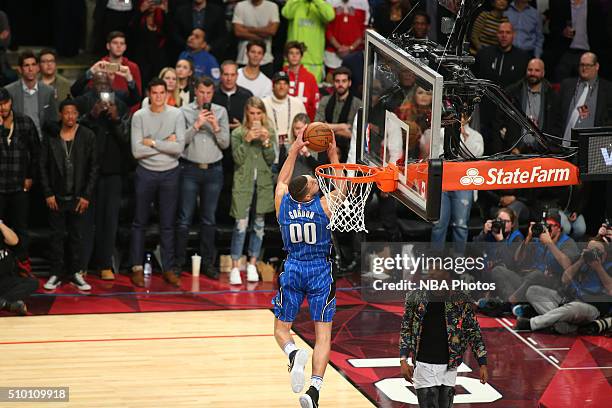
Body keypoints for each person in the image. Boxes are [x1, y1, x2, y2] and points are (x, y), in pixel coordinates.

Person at [272, 127, 340, 408]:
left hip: (293, 268)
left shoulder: (284, 204)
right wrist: (332, 151)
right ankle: (314, 389)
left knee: (281, 330)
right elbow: (342, 185)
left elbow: (282, 181)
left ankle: (291, 353)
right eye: (314, 181)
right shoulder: (323, 205)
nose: (316, 181)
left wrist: (292, 151)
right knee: (322, 335)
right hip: (320, 271)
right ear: (310, 194)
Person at [399, 264, 488, 408]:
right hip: (423, 364)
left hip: (449, 366)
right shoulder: (415, 297)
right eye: (431, 268)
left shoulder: (461, 300)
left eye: (437, 269)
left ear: (448, 274)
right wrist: (403, 359)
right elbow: (406, 329)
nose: (432, 272)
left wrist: (482, 363)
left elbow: (474, 331)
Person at [74, 71, 130, 281]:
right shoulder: (83, 103)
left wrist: (115, 121)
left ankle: (105, 264)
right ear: (92, 85)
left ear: (112, 85)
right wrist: (92, 116)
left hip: (113, 171)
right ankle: (82, 264)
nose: (102, 88)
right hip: (88, 171)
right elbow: (74, 130)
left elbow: (127, 140)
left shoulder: (121, 105)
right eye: (98, 84)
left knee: (110, 220)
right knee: (85, 220)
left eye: (106, 84)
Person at [130, 78, 186, 287]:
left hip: (170, 173)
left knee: (168, 224)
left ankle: (168, 268)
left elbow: (178, 148)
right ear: (149, 94)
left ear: (167, 94)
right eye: (155, 93)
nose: (159, 97)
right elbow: (137, 151)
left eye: (162, 93)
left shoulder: (176, 114)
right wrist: (166, 143)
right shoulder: (139, 116)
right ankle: (136, 267)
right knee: (139, 222)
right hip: (146, 172)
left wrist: (152, 142)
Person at [40, 100, 98, 292]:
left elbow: (93, 168)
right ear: (60, 115)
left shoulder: (87, 136)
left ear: (78, 114)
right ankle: (55, 273)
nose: (70, 116)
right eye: (66, 113)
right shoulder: (51, 137)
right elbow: (43, 168)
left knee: (77, 236)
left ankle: (75, 273)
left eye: (74, 113)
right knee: (56, 236)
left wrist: (86, 195)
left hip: (78, 196)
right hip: (56, 196)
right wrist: (48, 193)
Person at [176, 76, 229, 279]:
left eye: (208, 93)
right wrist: (197, 125)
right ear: (195, 92)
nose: (204, 96)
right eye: (201, 92)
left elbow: (225, 143)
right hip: (190, 169)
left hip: (214, 171)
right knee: (184, 219)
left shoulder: (221, 112)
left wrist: (215, 126)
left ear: (212, 93)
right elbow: (181, 142)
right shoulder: (184, 111)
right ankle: (179, 263)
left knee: (209, 220)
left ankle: (208, 263)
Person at [516, 238, 612, 334]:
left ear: (604, 255)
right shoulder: (581, 260)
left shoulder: (609, 267)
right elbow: (564, 279)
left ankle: (533, 323)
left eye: (596, 251)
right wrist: (581, 261)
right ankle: (562, 324)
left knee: (574, 307)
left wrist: (598, 268)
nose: (593, 253)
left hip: (589, 307)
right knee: (533, 291)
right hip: (566, 300)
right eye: (590, 250)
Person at [228, 97, 276, 285]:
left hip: (262, 184)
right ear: (247, 113)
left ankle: (252, 263)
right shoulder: (239, 133)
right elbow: (237, 159)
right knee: (240, 225)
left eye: (258, 113)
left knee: (258, 226)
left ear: (263, 114)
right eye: (252, 113)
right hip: (243, 185)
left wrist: (265, 142)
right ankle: (234, 266)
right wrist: (247, 140)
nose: (255, 117)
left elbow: (271, 159)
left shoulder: (269, 131)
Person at [491, 212, 580, 302]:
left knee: (536, 275)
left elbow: (567, 265)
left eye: (550, 226)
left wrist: (549, 244)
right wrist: (528, 237)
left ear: (559, 228)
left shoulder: (567, 242)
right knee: (498, 270)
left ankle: (510, 302)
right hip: (527, 282)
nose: (546, 229)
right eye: (544, 225)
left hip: (552, 284)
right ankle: (516, 304)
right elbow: (517, 258)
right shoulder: (537, 240)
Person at [0, 87, 40, 275]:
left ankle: (23, 265)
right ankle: (4, 267)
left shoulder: (24, 122)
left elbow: (36, 152)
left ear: (10, 102)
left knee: (21, 227)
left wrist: (30, 176)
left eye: (5, 103)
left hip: (19, 186)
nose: (2, 108)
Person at [430, 115, 483, 248]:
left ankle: (458, 261)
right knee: (438, 224)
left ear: (469, 118)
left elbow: (475, 157)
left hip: (464, 184)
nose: (461, 117)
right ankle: (435, 262)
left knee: (461, 225)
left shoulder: (476, 136)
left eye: (464, 115)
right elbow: (437, 154)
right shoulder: (441, 133)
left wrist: (464, 138)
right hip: (443, 183)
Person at [72, 31, 142, 111]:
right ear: (108, 46)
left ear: (125, 47)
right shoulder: (99, 66)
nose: (119, 46)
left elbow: (136, 98)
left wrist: (127, 118)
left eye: (121, 43)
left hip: (123, 115)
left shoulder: (132, 68)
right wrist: (91, 71)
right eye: (115, 43)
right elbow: (78, 91)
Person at [555, 52, 612, 148]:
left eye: (588, 65)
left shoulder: (608, 89)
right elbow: (556, 116)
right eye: (582, 65)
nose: (584, 68)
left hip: (592, 148)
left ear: (596, 66)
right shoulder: (567, 85)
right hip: (564, 146)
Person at [546, 0, 606, 82]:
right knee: (560, 72)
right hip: (566, 51)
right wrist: (562, 31)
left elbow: (601, 32)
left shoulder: (594, 6)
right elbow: (552, 27)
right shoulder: (560, 4)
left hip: (588, 51)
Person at [5, 50, 58, 139]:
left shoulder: (48, 91)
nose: (31, 69)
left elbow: (53, 120)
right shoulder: (9, 91)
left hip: (41, 143)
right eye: (26, 65)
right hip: (18, 143)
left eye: (33, 65)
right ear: (20, 69)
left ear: (38, 68)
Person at [315, 67, 362, 162]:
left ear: (349, 83)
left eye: (344, 81)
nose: (340, 84)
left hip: (347, 150)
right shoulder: (325, 100)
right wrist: (341, 126)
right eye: (337, 81)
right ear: (333, 83)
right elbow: (317, 128)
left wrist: (327, 127)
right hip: (324, 147)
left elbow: (352, 133)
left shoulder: (357, 104)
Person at [282, 0, 335, 82]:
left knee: (312, 93)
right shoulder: (295, 3)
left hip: (314, 63)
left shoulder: (320, 4)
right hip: (292, 60)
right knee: (289, 92)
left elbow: (330, 16)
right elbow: (286, 13)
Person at [263, 71, 307, 169]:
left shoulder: (297, 103)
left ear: (288, 86)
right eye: (278, 83)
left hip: (293, 156)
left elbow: (306, 129)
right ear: (273, 86)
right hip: (270, 156)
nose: (282, 87)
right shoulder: (264, 104)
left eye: (285, 83)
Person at [232, 0, 280, 77]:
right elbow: (238, 31)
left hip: (265, 60)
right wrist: (263, 33)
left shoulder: (272, 6)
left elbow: (272, 31)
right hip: (243, 58)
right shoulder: (240, 6)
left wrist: (248, 29)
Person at [0, 221, 37, 316]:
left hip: (4, 280)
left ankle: (3, 303)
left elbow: (14, 241)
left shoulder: (2, 231)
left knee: (32, 283)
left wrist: (1, 224)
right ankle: (6, 304)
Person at [129, 0, 169, 88]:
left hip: (158, 59)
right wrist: (140, 11)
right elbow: (131, 31)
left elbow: (169, 32)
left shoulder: (161, 17)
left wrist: (166, 12)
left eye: (154, 2)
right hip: (142, 60)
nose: (152, 4)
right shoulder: (139, 17)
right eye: (149, 1)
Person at [324, 0, 369, 77]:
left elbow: (365, 29)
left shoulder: (363, 2)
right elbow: (326, 28)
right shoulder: (329, 1)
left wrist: (351, 48)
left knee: (355, 83)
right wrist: (338, 47)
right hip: (333, 54)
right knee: (332, 84)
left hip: (356, 54)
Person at [283, 42, 319, 121]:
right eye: (291, 53)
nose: (294, 56)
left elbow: (314, 103)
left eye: (297, 53)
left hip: (304, 120)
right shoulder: (281, 75)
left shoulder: (310, 77)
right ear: (286, 56)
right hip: (283, 118)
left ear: (301, 56)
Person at [212, 60, 253, 131]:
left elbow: (254, 119)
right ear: (220, 75)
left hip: (241, 137)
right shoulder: (212, 94)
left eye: (232, 75)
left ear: (237, 76)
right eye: (226, 74)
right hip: (216, 135)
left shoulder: (247, 95)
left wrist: (242, 127)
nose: (229, 79)